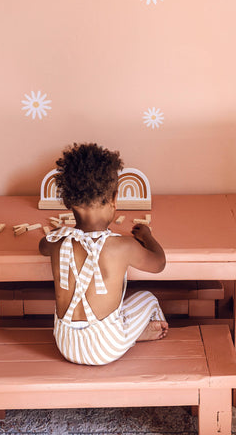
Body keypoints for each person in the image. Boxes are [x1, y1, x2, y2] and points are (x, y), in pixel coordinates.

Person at [39, 142, 168, 366]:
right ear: (114, 199)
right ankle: (137, 335)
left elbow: (42, 246)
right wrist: (146, 236)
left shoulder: (58, 240)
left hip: (65, 344)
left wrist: (59, 232)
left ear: (68, 201)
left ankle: (128, 335)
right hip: (105, 348)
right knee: (148, 298)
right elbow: (159, 264)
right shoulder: (123, 246)